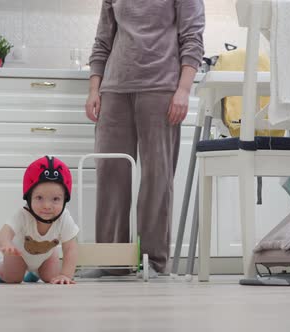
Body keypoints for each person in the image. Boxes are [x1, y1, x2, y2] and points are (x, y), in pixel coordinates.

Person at [84, 0, 205, 278]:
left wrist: (184, 90)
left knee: (156, 178)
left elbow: (192, 38)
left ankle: (153, 261)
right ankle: (110, 260)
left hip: (161, 88)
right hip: (114, 89)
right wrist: (94, 89)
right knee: (110, 173)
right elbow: (103, 39)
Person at [0, 156, 79, 284]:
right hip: (18, 255)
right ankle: (0, 269)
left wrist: (66, 275)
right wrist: (6, 244)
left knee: (52, 278)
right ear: (29, 197)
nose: (47, 206)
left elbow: (70, 249)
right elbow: (4, 232)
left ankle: (34, 274)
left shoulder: (64, 218)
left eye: (55, 199)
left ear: (65, 199)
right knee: (13, 279)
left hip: (47, 256)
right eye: (39, 198)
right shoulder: (23, 215)